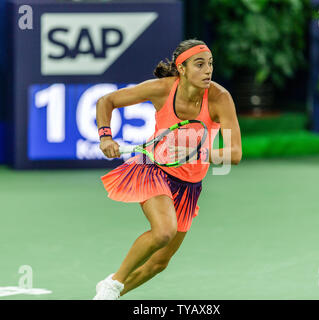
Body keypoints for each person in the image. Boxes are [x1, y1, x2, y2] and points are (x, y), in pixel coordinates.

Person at [93, 39, 242, 300]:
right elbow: (107, 101)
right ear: (181, 68)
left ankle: (109, 296)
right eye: (199, 64)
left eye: (210, 64)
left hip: (190, 186)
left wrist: (197, 153)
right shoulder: (162, 89)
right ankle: (113, 283)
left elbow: (235, 153)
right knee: (163, 231)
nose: (208, 70)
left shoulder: (220, 98)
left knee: (159, 263)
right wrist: (106, 136)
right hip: (153, 169)